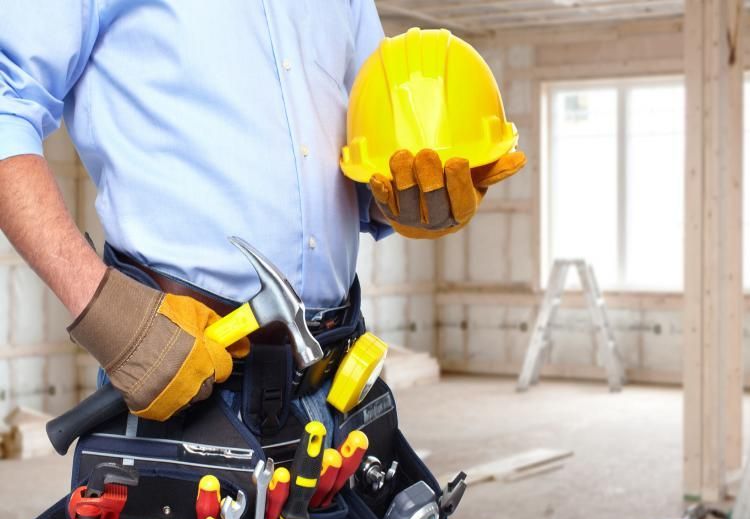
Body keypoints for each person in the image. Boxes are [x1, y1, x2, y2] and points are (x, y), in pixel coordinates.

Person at [0, 1, 524, 421]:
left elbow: (367, 140)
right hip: (181, 368)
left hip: (336, 372)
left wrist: (407, 201)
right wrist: (106, 315)